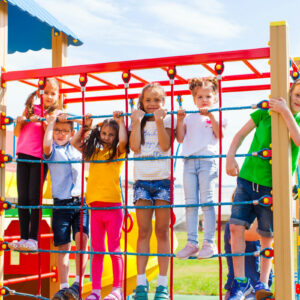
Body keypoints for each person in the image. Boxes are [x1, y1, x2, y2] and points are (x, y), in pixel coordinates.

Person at [226, 78, 300, 300]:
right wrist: (230, 156)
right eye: (297, 95)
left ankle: (263, 282)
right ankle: (240, 282)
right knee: (235, 228)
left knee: (267, 235)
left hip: (273, 185)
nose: (299, 100)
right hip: (247, 179)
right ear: (289, 92)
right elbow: (240, 135)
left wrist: (286, 113)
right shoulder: (264, 113)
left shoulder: (296, 119)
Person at [71, 112, 128, 300]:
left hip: (113, 208)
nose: (106, 138)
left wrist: (120, 121)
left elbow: (123, 142)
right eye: (104, 133)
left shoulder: (118, 152)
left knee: (114, 249)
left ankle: (117, 290)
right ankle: (95, 290)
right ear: (99, 133)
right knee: (97, 250)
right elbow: (74, 143)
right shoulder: (94, 153)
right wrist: (86, 126)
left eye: (111, 134)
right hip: (95, 209)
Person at [130, 83, 176, 300]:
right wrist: (135, 121)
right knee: (143, 231)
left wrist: (159, 122)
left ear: (163, 102)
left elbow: (166, 146)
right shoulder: (137, 120)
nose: (152, 104)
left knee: (162, 231)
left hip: (163, 182)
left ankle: (162, 285)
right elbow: (135, 147)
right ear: (142, 101)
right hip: (142, 182)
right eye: (148, 100)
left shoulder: (167, 119)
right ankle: (141, 283)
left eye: (156, 100)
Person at [176, 77, 226, 259]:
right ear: (194, 98)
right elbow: (180, 139)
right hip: (188, 162)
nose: (204, 100)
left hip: (207, 161)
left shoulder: (218, 114)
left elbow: (220, 134)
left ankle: (210, 243)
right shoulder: (189, 117)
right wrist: (180, 120)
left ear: (215, 97)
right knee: (190, 203)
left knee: (208, 201)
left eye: (208, 96)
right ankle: (191, 243)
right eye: (200, 97)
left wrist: (211, 116)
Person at [9, 78, 59, 252]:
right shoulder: (30, 109)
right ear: (40, 93)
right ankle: (24, 237)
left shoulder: (54, 114)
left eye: (53, 93)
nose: (49, 96)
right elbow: (17, 133)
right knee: (22, 198)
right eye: (46, 92)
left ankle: (33, 239)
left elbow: (51, 137)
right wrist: (20, 121)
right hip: (23, 156)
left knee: (34, 198)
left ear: (58, 96)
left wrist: (46, 122)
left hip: (39, 159)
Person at [43, 113, 89, 300]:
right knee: (63, 246)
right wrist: (52, 121)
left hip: (80, 202)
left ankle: (78, 283)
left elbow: (87, 122)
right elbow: (46, 144)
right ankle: (63, 288)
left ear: (72, 133)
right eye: (57, 131)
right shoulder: (52, 150)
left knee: (82, 239)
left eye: (65, 131)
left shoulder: (76, 148)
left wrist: (73, 119)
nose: (61, 134)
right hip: (61, 203)